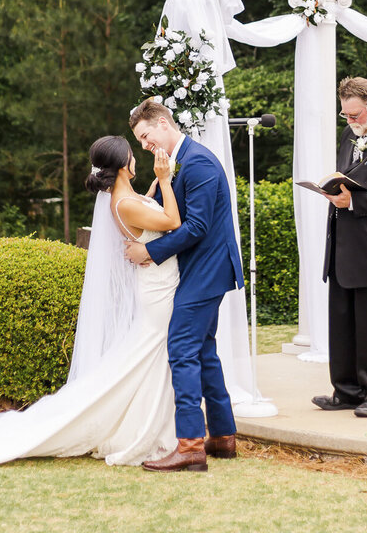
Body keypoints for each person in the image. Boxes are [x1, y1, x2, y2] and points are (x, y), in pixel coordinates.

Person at [0, 136, 182, 466]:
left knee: (146, 357)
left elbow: (146, 211)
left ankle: (147, 421)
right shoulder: (124, 203)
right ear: (124, 165)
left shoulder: (124, 197)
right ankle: (135, 427)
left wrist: (155, 190)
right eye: (131, 153)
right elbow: (172, 222)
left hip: (157, 282)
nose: (135, 157)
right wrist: (167, 181)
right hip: (157, 290)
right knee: (150, 357)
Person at [126, 99, 244, 472]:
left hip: (207, 269)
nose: (144, 145)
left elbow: (197, 228)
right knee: (205, 351)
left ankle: (190, 446)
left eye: (146, 136)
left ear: (163, 123)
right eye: (140, 140)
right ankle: (223, 438)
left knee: (181, 348)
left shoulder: (199, 163)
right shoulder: (176, 163)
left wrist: (149, 250)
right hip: (197, 268)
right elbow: (161, 209)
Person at [312, 77, 367, 418]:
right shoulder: (350, 135)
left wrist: (353, 202)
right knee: (342, 321)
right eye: (345, 115)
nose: (349, 121)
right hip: (344, 248)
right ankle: (346, 391)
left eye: (354, 114)